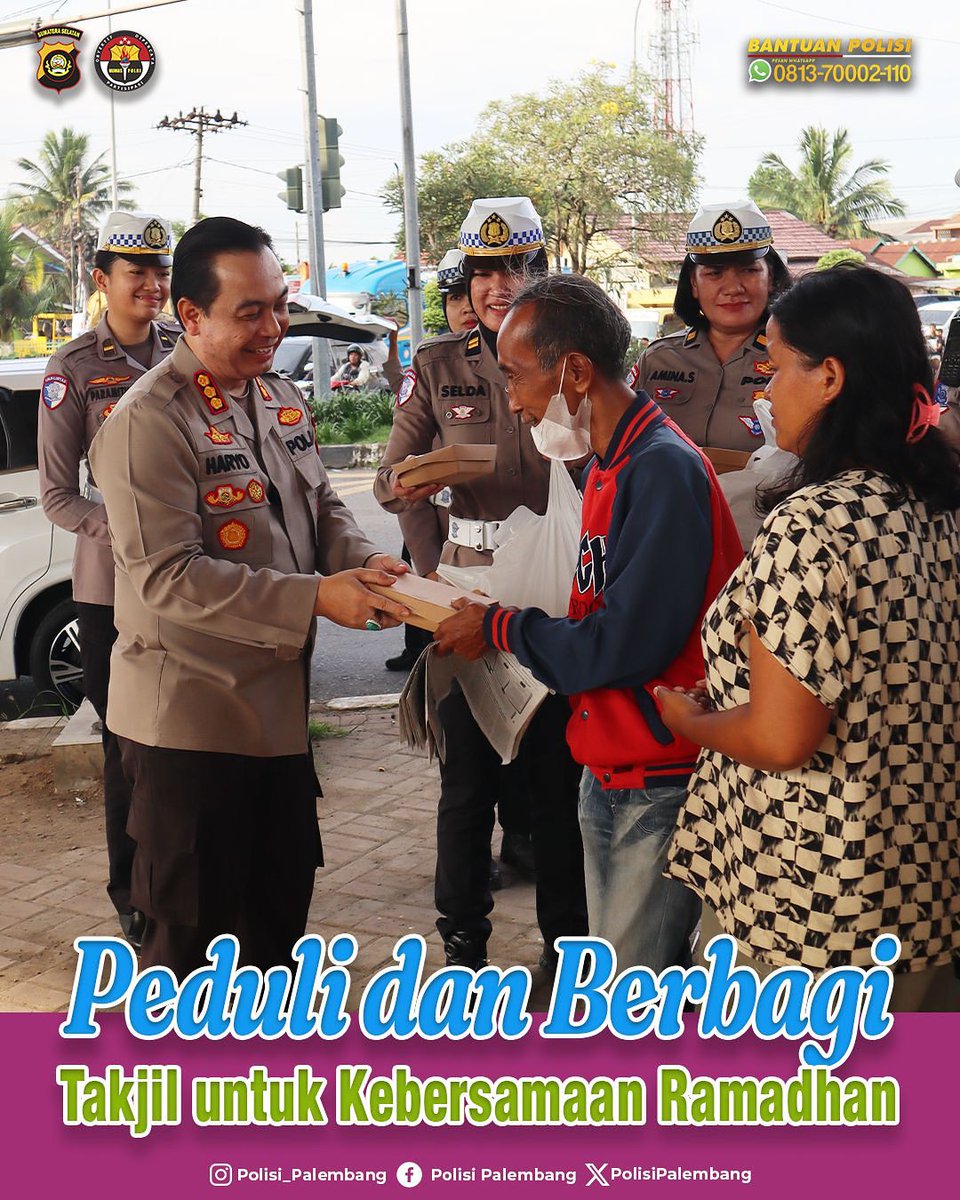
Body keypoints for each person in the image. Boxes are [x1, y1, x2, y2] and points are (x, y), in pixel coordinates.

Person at [88, 216, 410, 979]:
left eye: (280, 306)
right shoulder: (149, 422)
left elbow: (322, 507)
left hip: (274, 723)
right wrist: (318, 598)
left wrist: (365, 560)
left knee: (274, 929)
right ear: (191, 315)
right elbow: (169, 577)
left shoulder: (276, 396)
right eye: (251, 311)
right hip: (190, 731)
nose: (273, 327)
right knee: (192, 951)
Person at [657, 264, 960, 1008]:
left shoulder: (814, 523)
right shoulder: (936, 501)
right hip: (923, 880)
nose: (765, 393)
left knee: (801, 1085)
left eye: (776, 367)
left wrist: (690, 720)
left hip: (808, 902)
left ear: (829, 378)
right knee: (914, 1080)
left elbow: (782, 737)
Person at [435, 274, 742, 970]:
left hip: (657, 775)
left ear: (574, 372)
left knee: (635, 987)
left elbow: (624, 644)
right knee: (620, 973)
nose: (512, 400)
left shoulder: (659, 469)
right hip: (611, 761)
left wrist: (500, 628)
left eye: (516, 376)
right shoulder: (609, 462)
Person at [374, 197, 587, 969]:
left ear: (541, 269)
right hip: (469, 592)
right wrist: (426, 551)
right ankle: (462, 944)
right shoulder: (438, 365)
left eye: (516, 266)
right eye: (485, 270)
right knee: (467, 784)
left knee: (558, 780)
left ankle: (568, 947)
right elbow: (390, 482)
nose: (499, 285)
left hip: (554, 591)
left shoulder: (574, 359)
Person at [38, 211, 180, 950]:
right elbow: (58, 496)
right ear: (102, 279)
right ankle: (132, 896)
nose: (153, 285)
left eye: (161, 271)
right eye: (137, 272)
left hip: (188, 582)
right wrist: (128, 533)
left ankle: (182, 882)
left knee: (184, 745)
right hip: (111, 592)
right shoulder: (72, 368)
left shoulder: (186, 350)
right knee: (127, 750)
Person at [633, 200, 790, 454]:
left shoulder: (796, 358)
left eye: (749, 270)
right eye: (714, 274)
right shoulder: (657, 359)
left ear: (770, 278)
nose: (733, 288)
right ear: (693, 284)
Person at [384, 248, 475, 674]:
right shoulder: (434, 369)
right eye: (455, 298)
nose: (467, 307)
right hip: (442, 540)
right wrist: (429, 568)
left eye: (470, 294)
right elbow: (403, 484)